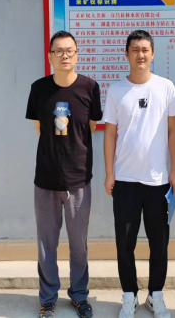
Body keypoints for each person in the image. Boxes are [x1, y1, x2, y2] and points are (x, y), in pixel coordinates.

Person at [103, 30, 175, 318]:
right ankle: (129, 295)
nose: (140, 54)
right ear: (126, 54)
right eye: (135, 49)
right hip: (125, 180)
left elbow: (173, 131)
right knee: (125, 242)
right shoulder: (116, 91)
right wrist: (109, 173)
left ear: (153, 54)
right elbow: (109, 134)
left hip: (158, 181)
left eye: (145, 49)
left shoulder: (166, 87)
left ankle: (155, 295)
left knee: (159, 242)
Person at [26, 31, 102, 318]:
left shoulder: (90, 88)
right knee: (46, 245)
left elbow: (90, 128)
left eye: (69, 50)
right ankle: (47, 299)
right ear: (50, 57)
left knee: (79, 244)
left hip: (79, 178)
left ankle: (79, 295)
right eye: (58, 51)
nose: (65, 55)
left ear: (77, 55)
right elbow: (40, 129)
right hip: (46, 179)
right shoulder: (39, 89)